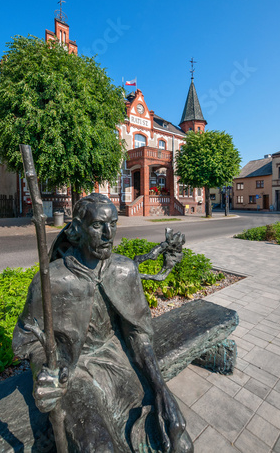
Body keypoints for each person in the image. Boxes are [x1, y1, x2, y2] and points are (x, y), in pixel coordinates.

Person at [13, 193, 193, 452]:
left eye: (113, 224)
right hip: (74, 372)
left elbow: (138, 334)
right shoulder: (52, 280)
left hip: (117, 359)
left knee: (179, 443)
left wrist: (162, 389)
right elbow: (27, 341)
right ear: (76, 230)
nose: (109, 234)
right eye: (98, 225)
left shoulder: (125, 270)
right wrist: (46, 371)